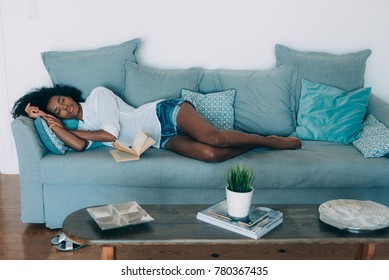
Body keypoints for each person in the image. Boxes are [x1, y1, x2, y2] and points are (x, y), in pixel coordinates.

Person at [12, 85, 302, 162]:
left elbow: (109, 133)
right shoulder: (82, 125)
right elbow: (78, 146)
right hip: (161, 138)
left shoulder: (98, 96)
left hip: (165, 113)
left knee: (214, 138)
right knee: (211, 155)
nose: (65, 106)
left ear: (68, 94)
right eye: (59, 110)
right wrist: (48, 123)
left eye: (62, 99)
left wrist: (60, 125)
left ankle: (270, 141)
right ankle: (254, 145)